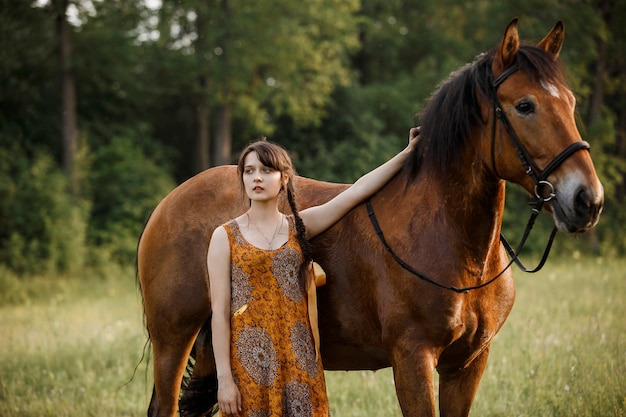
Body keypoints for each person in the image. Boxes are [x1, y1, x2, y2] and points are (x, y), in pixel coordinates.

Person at [208, 127, 420, 416]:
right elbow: (219, 313)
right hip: (249, 361)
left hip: (300, 358)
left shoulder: (299, 227)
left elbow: (357, 191)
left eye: (266, 170)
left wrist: (406, 154)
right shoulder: (225, 236)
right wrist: (224, 379)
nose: (256, 177)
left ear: (283, 179)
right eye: (249, 171)